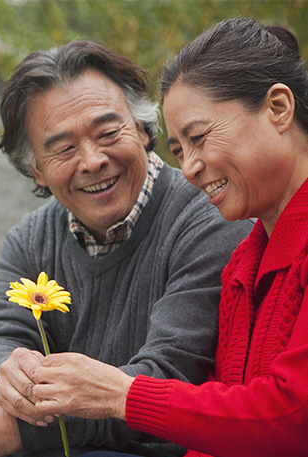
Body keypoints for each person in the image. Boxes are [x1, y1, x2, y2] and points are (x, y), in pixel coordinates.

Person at [0, 41, 251, 457]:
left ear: (141, 129)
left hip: (149, 443)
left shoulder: (205, 219)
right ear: (38, 171)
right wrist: (4, 378)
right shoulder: (31, 238)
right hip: (55, 428)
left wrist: (19, 433)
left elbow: (169, 373)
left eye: (107, 133)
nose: (92, 160)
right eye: (63, 148)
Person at [28, 17, 308, 457]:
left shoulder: (212, 231)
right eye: (179, 150)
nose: (191, 167)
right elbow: (220, 422)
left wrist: (121, 394)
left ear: (277, 108)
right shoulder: (244, 265)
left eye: (199, 138)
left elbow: (292, 418)